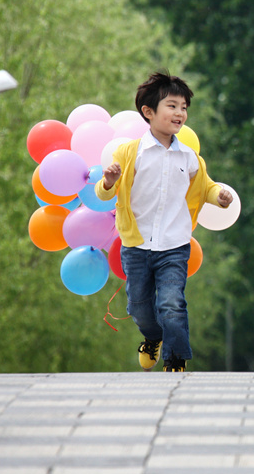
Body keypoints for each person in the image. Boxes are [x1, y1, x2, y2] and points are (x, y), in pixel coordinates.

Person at [96, 71, 232, 373]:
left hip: (174, 245)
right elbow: (104, 195)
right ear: (148, 112)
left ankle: (175, 358)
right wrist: (109, 181)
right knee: (139, 308)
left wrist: (218, 196)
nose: (180, 113)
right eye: (172, 105)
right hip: (136, 246)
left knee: (172, 303)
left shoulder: (190, 158)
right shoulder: (129, 153)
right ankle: (153, 337)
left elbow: (205, 186)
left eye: (184, 107)